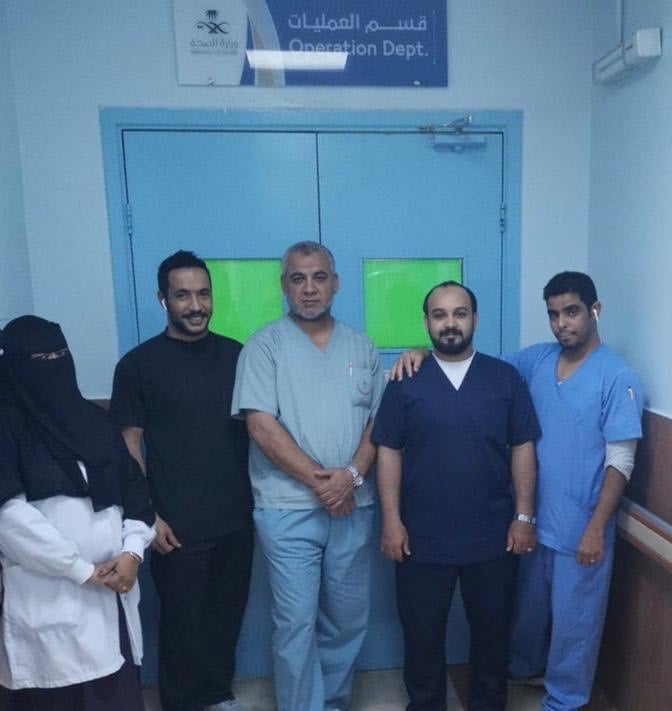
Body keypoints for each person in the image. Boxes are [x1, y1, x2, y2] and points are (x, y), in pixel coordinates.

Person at [391, 272, 644, 711]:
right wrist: (421, 353)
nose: (562, 324)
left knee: (573, 623)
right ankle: (523, 672)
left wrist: (593, 526)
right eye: (554, 314)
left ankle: (564, 700)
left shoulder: (616, 376)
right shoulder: (536, 361)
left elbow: (619, 460)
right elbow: (465, 367)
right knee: (521, 621)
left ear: (594, 311)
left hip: (576, 523)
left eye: (572, 312)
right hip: (528, 524)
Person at [231, 241, 385, 711]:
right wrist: (325, 483)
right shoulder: (264, 346)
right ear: (284, 286)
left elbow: (379, 423)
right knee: (295, 622)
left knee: (347, 619)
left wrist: (351, 477)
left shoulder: (361, 346)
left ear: (335, 283)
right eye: (298, 279)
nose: (310, 288)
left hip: (353, 506)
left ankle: (332, 702)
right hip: (288, 507)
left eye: (319, 277)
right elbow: (261, 426)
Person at [372, 281, 540, 711]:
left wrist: (524, 516)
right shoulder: (406, 380)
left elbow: (523, 445)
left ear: (475, 319)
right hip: (421, 538)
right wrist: (391, 521)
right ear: (427, 322)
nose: (450, 323)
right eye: (440, 314)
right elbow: (388, 449)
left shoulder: (504, 379)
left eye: (460, 313)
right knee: (421, 637)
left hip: (493, 536)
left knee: (492, 636)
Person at [110, 251, 252, 711]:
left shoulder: (238, 356)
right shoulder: (137, 365)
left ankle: (219, 696)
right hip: (174, 523)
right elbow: (129, 444)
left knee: (226, 617)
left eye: (203, 294)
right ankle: (183, 704)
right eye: (183, 295)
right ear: (163, 299)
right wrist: (148, 516)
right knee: (182, 622)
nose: (196, 305)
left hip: (236, 518)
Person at [0, 315, 155, 711]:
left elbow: (136, 495)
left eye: (60, 355)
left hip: (114, 594)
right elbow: (9, 520)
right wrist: (80, 570)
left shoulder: (96, 422)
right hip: (51, 601)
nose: (53, 366)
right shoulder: (6, 428)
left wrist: (133, 552)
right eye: (41, 359)